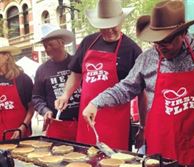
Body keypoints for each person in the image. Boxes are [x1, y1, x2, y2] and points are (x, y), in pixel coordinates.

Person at [82, 0, 194, 167]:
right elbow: (125, 88)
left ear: (182, 33)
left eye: (165, 41)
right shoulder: (147, 59)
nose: (160, 47)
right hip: (160, 153)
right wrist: (96, 102)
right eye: (155, 41)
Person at [55, 0, 142, 150]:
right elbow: (76, 73)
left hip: (115, 122)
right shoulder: (88, 42)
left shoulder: (132, 49)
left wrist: (143, 125)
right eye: (103, 27)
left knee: (114, 165)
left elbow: (141, 90)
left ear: (121, 21)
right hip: (86, 117)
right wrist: (65, 95)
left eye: (112, 25)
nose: (108, 30)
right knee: (84, 161)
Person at [32, 24, 81, 140]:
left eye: (50, 44)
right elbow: (36, 97)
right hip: (57, 123)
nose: (47, 49)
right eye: (45, 46)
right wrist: (45, 110)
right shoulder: (42, 70)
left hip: (81, 121)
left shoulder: (77, 63)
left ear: (61, 43)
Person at [0, 37, 34, 140]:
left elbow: (32, 106)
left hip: (19, 135)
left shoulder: (23, 79)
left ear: (7, 56)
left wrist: (23, 126)